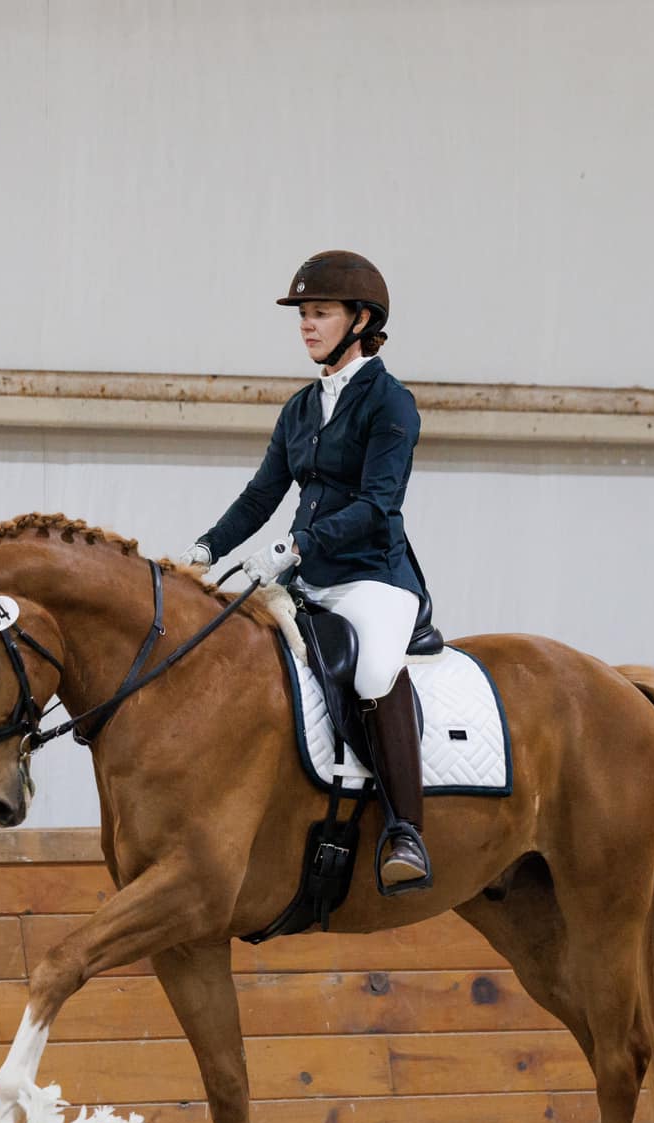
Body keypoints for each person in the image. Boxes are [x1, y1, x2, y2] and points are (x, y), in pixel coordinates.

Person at [184, 250, 432, 894]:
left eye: (319, 313)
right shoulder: (301, 408)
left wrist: (294, 547)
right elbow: (261, 495)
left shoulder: (392, 404)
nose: (306, 325)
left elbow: (380, 507)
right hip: (306, 576)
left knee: (376, 670)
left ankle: (407, 829)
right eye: (303, 315)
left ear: (361, 320)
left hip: (373, 577)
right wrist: (207, 552)